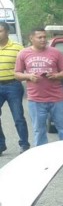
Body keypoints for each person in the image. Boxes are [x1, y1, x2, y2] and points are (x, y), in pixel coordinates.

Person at [14, 27, 63, 164]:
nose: (43, 39)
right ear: (31, 38)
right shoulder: (23, 54)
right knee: (39, 130)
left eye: (44, 37)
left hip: (57, 97)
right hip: (36, 99)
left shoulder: (55, 52)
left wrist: (56, 75)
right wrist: (29, 76)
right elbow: (17, 74)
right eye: (39, 37)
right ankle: (42, 158)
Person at [0, 22, 29, 155]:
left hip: (13, 86)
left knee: (18, 116)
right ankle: (1, 145)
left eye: (0, 31)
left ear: (7, 32)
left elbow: (26, 66)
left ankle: (24, 144)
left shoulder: (18, 48)